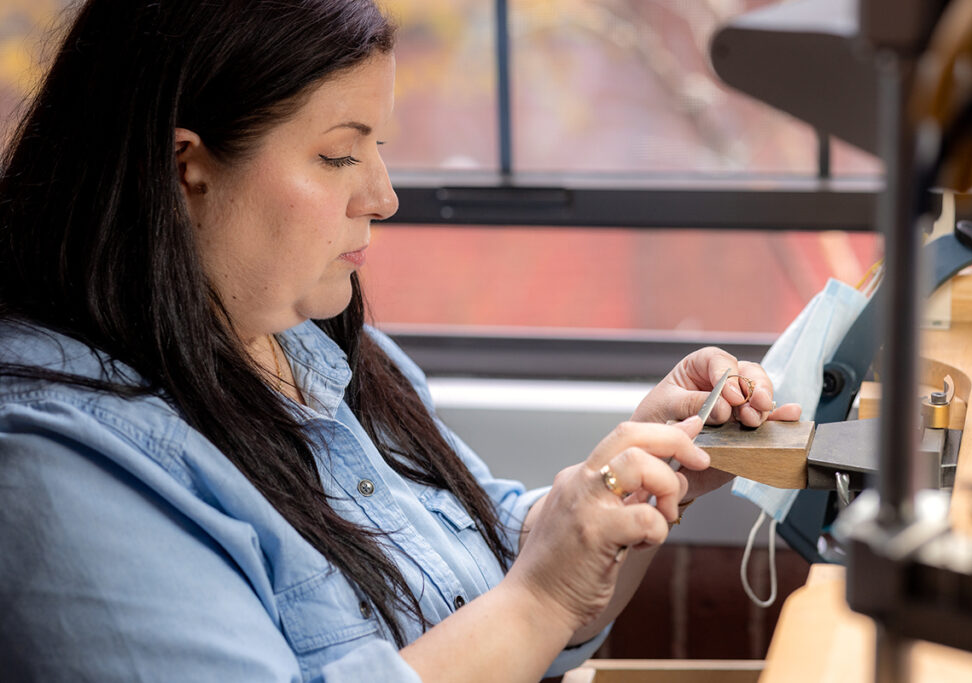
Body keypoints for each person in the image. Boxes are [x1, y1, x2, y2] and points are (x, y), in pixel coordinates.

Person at [0, 1, 799, 681]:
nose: (381, 196)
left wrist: (635, 480)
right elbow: (524, 601)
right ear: (186, 169)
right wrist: (540, 597)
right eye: (339, 154)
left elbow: (492, 566)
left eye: (379, 148)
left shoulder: (318, 351)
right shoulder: (57, 466)